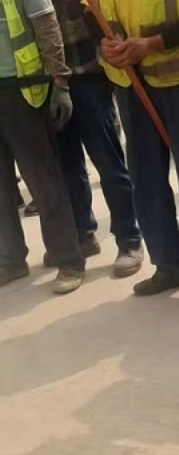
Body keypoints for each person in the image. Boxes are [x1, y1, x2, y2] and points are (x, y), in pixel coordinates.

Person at [92, 0, 179, 311]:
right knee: (146, 179)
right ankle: (169, 266)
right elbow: (93, 13)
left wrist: (150, 44)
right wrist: (105, 45)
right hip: (129, 82)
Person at [52, 0, 143, 278]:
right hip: (51, 84)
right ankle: (83, 233)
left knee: (109, 163)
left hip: (89, 75)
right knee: (68, 167)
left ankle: (128, 240)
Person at [0, 0, 85, 294]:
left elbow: (48, 28)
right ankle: (10, 260)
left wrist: (60, 84)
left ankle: (69, 260)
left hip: (23, 90)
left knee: (43, 182)